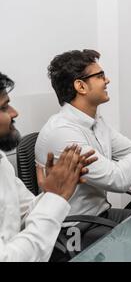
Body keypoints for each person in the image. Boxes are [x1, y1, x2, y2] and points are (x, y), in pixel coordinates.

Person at [34, 49, 131, 249]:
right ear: (80, 86)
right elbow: (118, 180)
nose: (107, 80)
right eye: (100, 76)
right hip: (74, 227)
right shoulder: (63, 132)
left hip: (99, 214)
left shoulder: (96, 122)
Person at [0, 72, 96, 261]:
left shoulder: (1, 160)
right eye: (4, 107)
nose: (14, 113)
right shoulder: (61, 130)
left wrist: (53, 190)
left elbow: (25, 212)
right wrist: (55, 197)